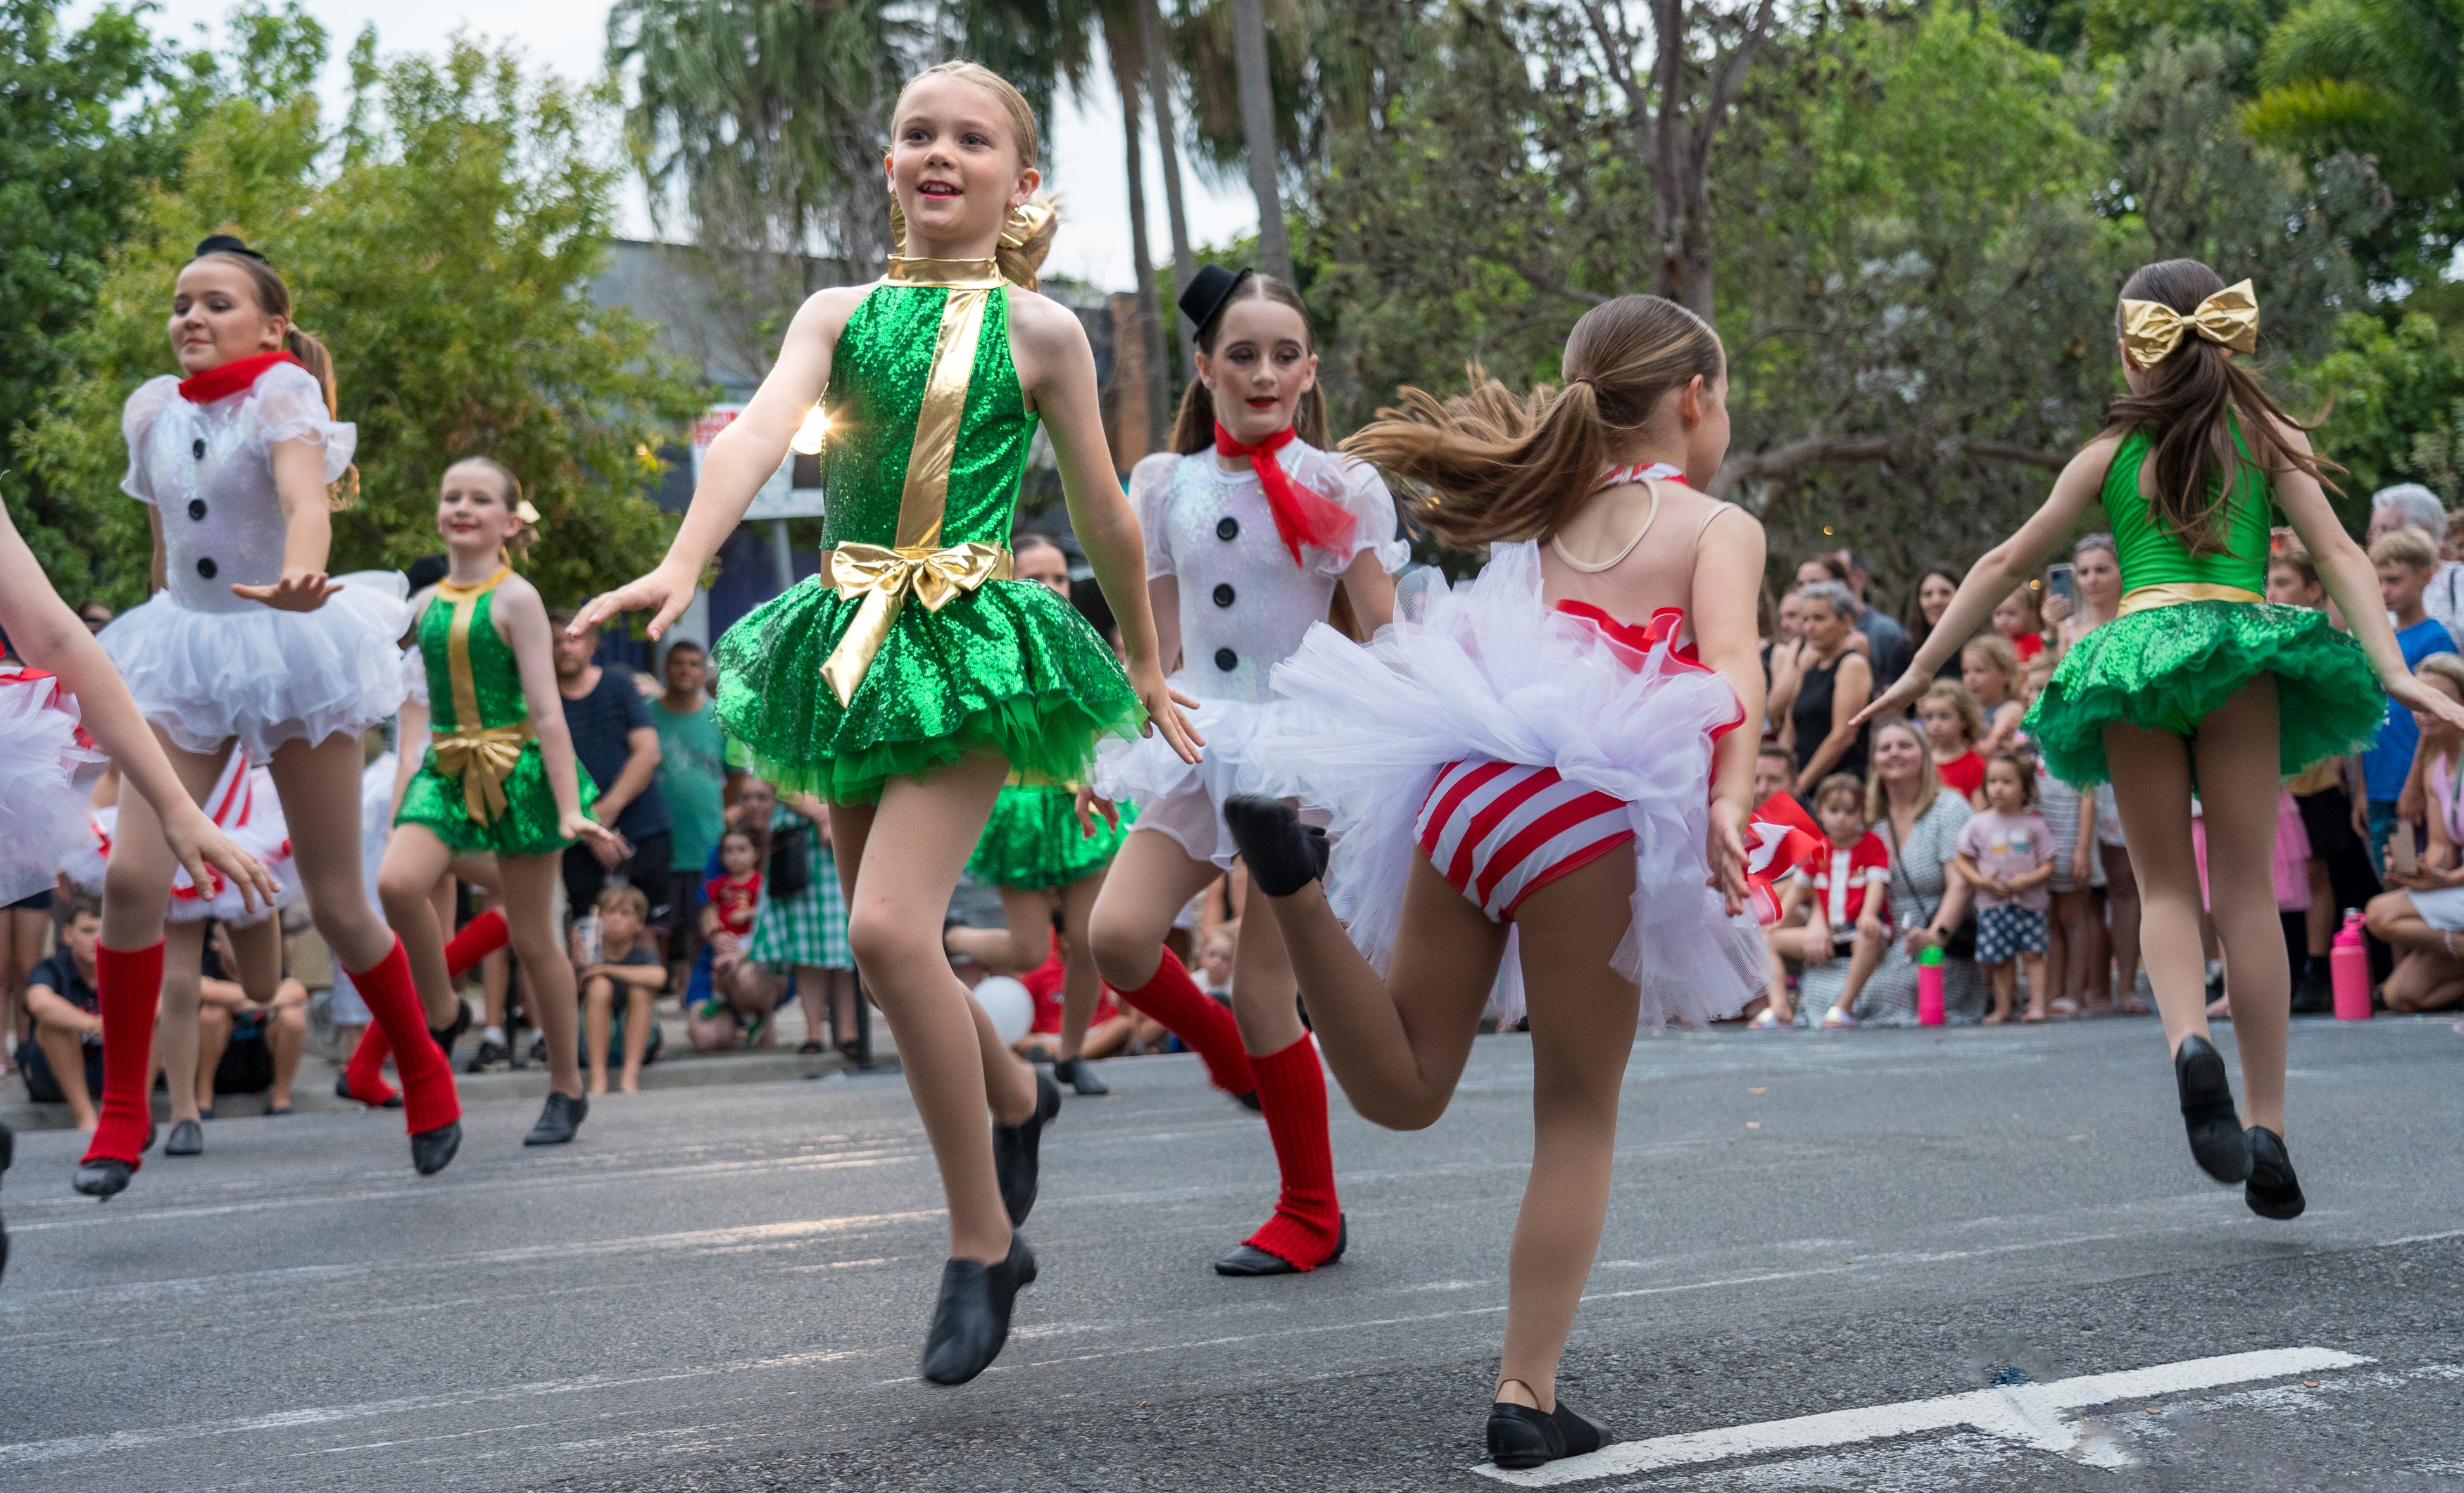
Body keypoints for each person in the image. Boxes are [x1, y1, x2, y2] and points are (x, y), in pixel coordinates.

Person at [572, 60, 1200, 1387]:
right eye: (918, 131)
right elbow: (754, 434)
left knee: (882, 930)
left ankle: (984, 1244)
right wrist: (684, 564)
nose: (940, 153)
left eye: (972, 139)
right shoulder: (837, 309)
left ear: (1017, 184)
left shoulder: (1042, 333)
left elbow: (1101, 504)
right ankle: (1019, 1093)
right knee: (888, 953)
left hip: (974, 643)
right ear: (890, 161)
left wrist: (1143, 660)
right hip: (847, 641)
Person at [1224, 294, 1766, 1469]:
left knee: (1408, 1086)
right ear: (1696, 399)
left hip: (1468, 776)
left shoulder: (1542, 517)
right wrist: (1730, 800)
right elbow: (1730, 670)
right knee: (1575, 1111)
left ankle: (1294, 892)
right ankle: (1527, 1389)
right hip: (1590, 805)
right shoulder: (1717, 526)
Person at [1861, 260, 2440, 1222]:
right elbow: (2338, 553)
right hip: (2240, 647)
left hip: (2134, 657)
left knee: (2168, 885)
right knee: (2247, 889)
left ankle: (2186, 1042)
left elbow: (2010, 558)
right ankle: (2269, 1127)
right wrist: (2394, 669)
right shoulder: (2264, 435)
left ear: (2133, 346)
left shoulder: (2107, 456)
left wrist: (1922, 669)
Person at [78, 234, 425, 1197]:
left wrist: (307, 569)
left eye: (216, 303)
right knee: (131, 881)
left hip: (289, 639)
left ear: (270, 324)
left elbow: (304, 501)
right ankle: (123, 1112)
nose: (191, 316)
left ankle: (424, 1074)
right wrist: (141, 656)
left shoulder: (282, 395)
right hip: (183, 648)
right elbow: (165, 552)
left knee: (341, 897)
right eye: (182, 302)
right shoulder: (148, 408)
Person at [1084, 264, 1403, 1279]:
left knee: (1269, 991)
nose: (1263, 373)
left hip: (1299, 752)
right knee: (1118, 938)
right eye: (1242, 354)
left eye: (1283, 355)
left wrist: (1401, 744)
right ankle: (1224, 1056)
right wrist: (1121, 737)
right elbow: (1160, 646)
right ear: (1205, 365)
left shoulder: (1341, 484)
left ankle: (1311, 1211)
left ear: (1310, 371)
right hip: (1196, 735)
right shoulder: (1162, 484)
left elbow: (1386, 628)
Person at [371, 457, 613, 1150]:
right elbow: (375, 671)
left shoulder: (518, 599)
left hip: (518, 770)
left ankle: (566, 1087)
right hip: (446, 769)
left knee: (535, 937)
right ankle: (443, 1010)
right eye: (452, 496)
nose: (462, 507)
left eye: (480, 498)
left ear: (509, 521)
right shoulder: (421, 606)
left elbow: (546, 709)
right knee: (396, 882)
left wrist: (569, 808)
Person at [945, 532, 1137, 1095]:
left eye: (1060, 577)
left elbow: (1108, 724)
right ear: (1006, 581)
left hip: (1080, 800)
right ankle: (949, 933)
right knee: (1031, 949)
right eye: (1037, 577)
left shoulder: (1086, 644)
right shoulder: (989, 649)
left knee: (1090, 938)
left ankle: (1072, 1054)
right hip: (1021, 810)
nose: (1053, 588)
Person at [1809, 719, 1982, 1025]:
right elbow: (1829, 879)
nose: (1894, 754)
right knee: (1818, 982)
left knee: (1882, 991)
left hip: (1935, 935)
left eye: (1905, 746)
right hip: (1879, 936)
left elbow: (1962, 885)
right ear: (1874, 760)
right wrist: (1818, 926)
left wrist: (1936, 935)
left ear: (1924, 755)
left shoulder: (1948, 807)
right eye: (1885, 748)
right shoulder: (1868, 817)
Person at [2272, 548, 2369, 1009]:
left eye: (2284, 582)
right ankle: (2282, 969)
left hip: (2319, 776)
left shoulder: (2326, 637)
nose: (2273, 591)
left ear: (2314, 591)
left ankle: (2317, 967)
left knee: (2318, 870)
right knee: (2279, 872)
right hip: (2274, 777)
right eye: (2269, 582)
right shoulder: (2264, 636)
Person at [552, 612, 672, 943]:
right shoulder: (542, 701)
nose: (564, 648)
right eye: (556, 641)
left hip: (643, 826)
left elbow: (647, 753)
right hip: (578, 836)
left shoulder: (619, 687)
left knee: (649, 927)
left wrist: (602, 817)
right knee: (586, 927)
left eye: (573, 639)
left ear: (593, 645)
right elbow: (542, 768)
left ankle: (645, 993)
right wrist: (591, 830)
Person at [2362, 652, 2464, 1012]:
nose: (2426, 710)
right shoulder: (2436, 763)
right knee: (2401, 996)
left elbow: (2451, 873)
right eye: (2419, 700)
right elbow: (2439, 844)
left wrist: (2446, 880)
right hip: (2458, 886)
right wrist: (2422, 873)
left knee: (2379, 913)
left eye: (2439, 699)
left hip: (2460, 885)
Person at [2357, 527, 2456, 871]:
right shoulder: (2378, 640)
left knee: (2418, 871)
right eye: (2378, 581)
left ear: (2426, 577)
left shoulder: (2435, 639)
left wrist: (2415, 785)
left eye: (2394, 580)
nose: (2384, 591)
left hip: (2415, 788)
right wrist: (2361, 790)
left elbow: (2437, 724)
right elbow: (2366, 716)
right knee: (2392, 873)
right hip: (2379, 784)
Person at [1768, 774, 1889, 1029]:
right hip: (1832, 935)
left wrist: (1868, 914)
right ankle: (1778, 1007)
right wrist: (1778, 922)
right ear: (1820, 812)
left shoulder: (1872, 845)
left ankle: (1842, 1008)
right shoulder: (1818, 850)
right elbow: (1798, 891)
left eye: (1849, 811)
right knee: (1766, 937)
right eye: (1833, 810)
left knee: (1871, 938)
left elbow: (1877, 883)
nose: (1841, 818)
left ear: (1861, 814)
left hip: (1861, 930)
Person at [651, 638, 736, 981]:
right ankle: (652, 998)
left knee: (706, 924)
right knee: (656, 925)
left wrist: (723, 817)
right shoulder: (645, 713)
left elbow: (737, 778)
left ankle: (700, 994)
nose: (685, 670)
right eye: (678, 663)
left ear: (704, 672)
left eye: (693, 664)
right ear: (665, 669)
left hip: (706, 841)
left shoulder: (720, 718)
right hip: (658, 841)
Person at [1957, 752, 2056, 1023]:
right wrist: (1981, 882)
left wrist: (2029, 880)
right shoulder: (1977, 824)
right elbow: (1962, 859)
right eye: (1992, 781)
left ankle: (2038, 1006)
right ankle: (2003, 1008)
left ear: (2026, 790)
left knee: (2033, 955)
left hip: (2030, 903)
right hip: (1993, 903)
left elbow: (2049, 863)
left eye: (2007, 782)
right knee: (2001, 959)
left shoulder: (2034, 824)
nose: (1998, 788)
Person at [192, 920, 308, 1116]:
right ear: (215, 943)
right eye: (232, 936)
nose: (242, 943)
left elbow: (297, 991)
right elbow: (204, 990)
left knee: (293, 1016)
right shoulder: (206, 964)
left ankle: (281, 1101)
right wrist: (264, 998)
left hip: (258, 1065)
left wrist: (240, 1000)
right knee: (212, 1013)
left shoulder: (262, 967)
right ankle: (203, 1102)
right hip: (217, 1066)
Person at [20, 897, 107, 1130]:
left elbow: (162, 1000)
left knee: (154, 1022)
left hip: (110, 1070)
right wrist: (92, 1023)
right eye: (87, 930)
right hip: (53, 1079)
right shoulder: (51, 967)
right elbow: (39, 1003)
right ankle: (85, 1116)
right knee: (53, 1025)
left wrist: (122, 1024)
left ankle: (136, 1109)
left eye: (105, 930)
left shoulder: (124, 965)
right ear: (68, 935)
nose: (96, 939)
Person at [577, 883, 667, 1093]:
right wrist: (576, 962)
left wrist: (607, 969)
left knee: (640, 988)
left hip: (641, 1045)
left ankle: (630, 1075)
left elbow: (659, 977)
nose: (616, 919)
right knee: (599, 986)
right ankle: (598, 1078)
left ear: (639, 923)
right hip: (588, 1047)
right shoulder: (589, 954)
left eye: (625, 913)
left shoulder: (643, 954)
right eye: (609, 912)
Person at [1785, 580, 1871, 795]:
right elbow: (1789, 729)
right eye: (1805, 619)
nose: (1810, 627)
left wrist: (1799, 785)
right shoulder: (1810, 667)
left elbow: (1843, 736)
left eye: (1819, 618)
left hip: (1837, 790)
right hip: (1801, 783)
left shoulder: (1852, 665)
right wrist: (1778, 775)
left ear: (1846, 622)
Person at [2369, 483, 2464, 640]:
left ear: (2423, 530)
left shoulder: (2458, 580)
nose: (2376, 539)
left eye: (2385, 529)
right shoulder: (2376, 587)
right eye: (2374, 530)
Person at [1918, 680, 1987, 804]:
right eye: (1929, 717)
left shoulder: (1977, 765)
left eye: (1944, 716)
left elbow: (1977, 816)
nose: (1935, 725)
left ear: (1964, 720)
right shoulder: (1919, 761)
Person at [1961, 634, 2026, 755]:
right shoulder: (1965, 711)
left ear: (2005, 675)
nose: (1971, 679)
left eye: (1979, 671)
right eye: (1966, 671)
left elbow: (1991, 747)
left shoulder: (2011, 709)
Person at [1904, 564, 1966, 682]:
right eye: (1928, 594)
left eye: (1945, 593)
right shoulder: (1905, 649)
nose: (1936, 601)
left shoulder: (1979, 646)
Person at [1991, 586, 2046, 664]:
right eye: (1998, 614)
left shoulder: (2034, 641)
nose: (2004, 621)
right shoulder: (1993, 644)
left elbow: (2037, 667)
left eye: (2012, 614)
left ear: (2030, 615)